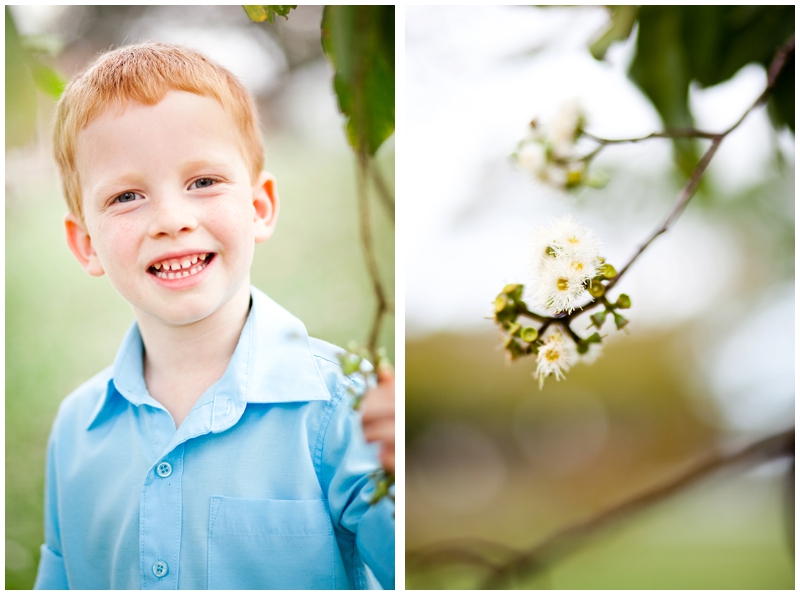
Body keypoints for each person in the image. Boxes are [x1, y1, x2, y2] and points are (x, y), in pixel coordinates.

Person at [33, 42, 395, 590]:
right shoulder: (77, 429)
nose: (171, 220)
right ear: (85, 244)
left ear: (259, 207)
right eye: (127, 196)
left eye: (203, 182)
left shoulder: (346, 407)